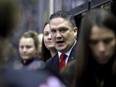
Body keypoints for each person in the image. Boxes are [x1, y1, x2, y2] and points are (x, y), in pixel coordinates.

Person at [69, 9, 116, 87]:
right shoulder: (70, 74)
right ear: (85, 43)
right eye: (94, 42)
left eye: (107, 41)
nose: (101, 49)